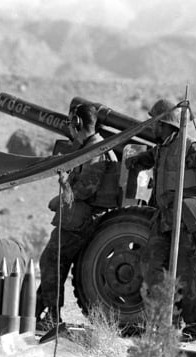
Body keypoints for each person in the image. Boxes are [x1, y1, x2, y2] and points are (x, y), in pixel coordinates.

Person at [125, 98, 196, 342]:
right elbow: (151, 157)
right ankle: (159, 321)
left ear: (169, 126)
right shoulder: (162, 148)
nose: (154, 129)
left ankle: (192, 326)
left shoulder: (189, 149)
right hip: (163, 218)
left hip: (184, 220)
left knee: (187, 271)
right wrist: (134, 162)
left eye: (157, 125)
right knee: (151, 264)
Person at [38, 103, 119, 329]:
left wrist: (64, 184)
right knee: (52, 262)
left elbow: (86, 190)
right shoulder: (91, 149)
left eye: (70, 122)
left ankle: (52, 316)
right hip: (80, 216)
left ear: (78, 123)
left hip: (81, 221)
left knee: (51, 260)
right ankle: (39, 311)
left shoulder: (95, 151)